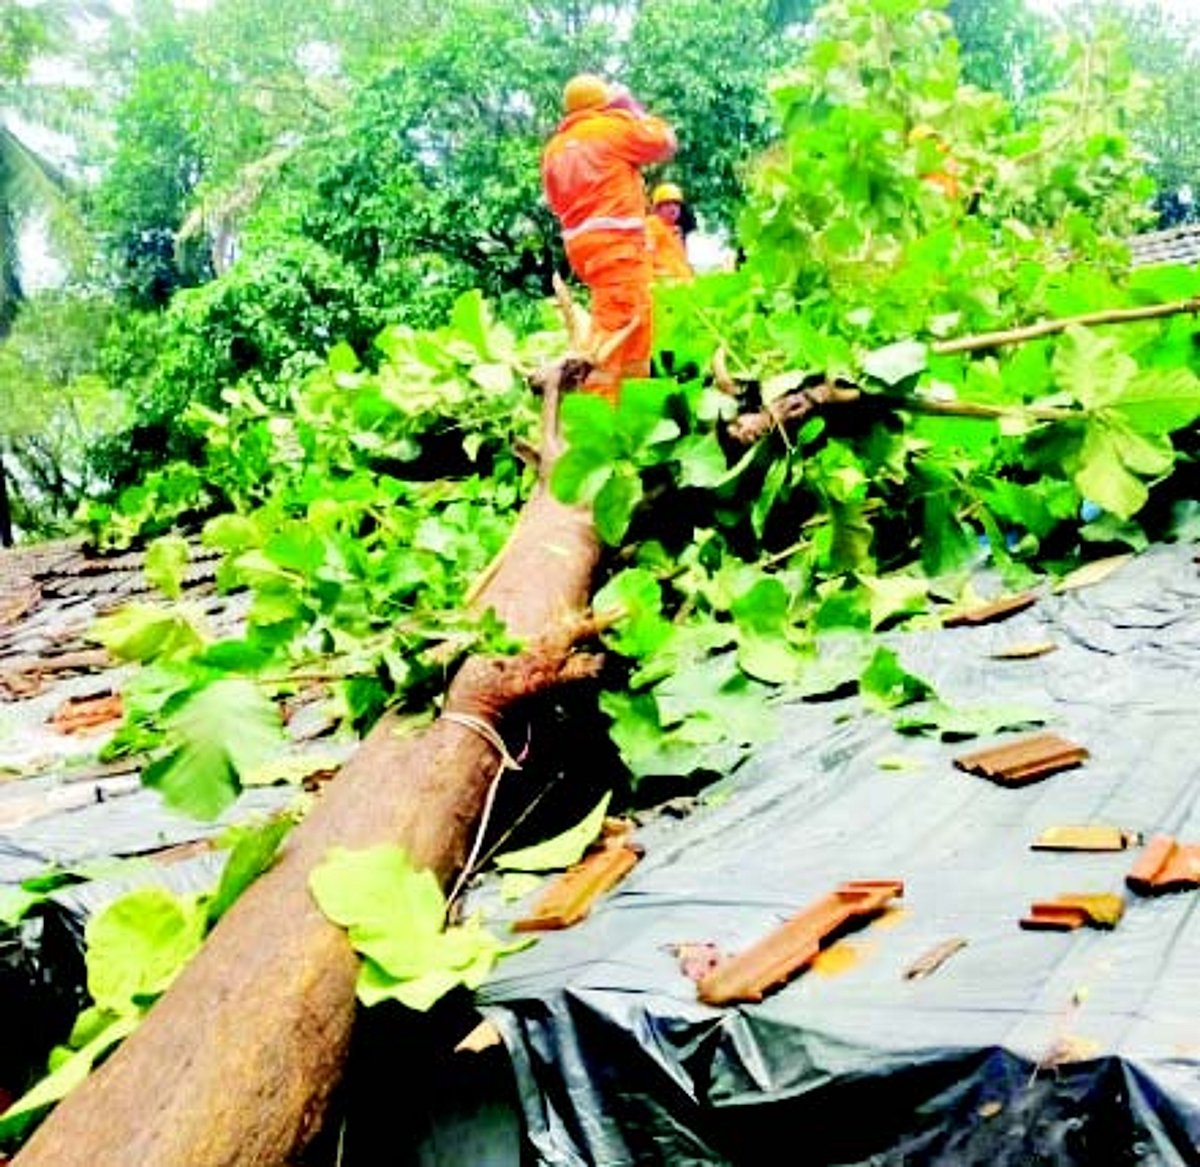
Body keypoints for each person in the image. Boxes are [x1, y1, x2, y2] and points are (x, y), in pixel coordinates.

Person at [542, 74, 677, 402]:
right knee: (624, 331)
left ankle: (625, 401)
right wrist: (631, 108)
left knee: (624, 322)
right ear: (602, 104)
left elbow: (555, 202)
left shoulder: (554, 149)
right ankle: (606, 408)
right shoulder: (609, 128)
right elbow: (665, 142)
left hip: (582, 249)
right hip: (617, 247)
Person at [646, 182, 694, 282]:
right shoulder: (653, 224)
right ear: (657, 208)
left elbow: (681, 262)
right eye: (667, 204)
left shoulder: (676, 231)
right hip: (662, 284)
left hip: (679, 286)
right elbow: (646, 257)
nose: (673, 208)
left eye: (676, 204)